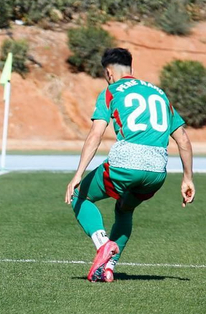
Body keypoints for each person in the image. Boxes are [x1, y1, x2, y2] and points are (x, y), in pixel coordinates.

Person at [63, 47, 195, 283]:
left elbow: (96, 135)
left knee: (79, 196)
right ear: (132, 69)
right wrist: (187, 178)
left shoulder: (110, 92)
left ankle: (103, 245)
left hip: (126, 163)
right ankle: (109, 268)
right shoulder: (160, 94)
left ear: (108, 73)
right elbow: (182, 139)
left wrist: (77, 175)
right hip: (157, 170)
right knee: (124, 209)